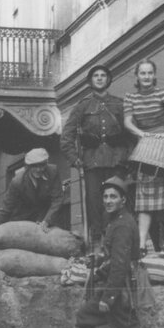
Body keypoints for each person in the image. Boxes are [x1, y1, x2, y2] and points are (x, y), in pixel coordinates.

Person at [75, 176, 142, 328]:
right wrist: (98, 271)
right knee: (85, 315)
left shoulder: (123, 224)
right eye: (105, 196)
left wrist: (108, 298)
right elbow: (113, 260)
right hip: (118, 285)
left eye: (113, 196)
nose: (108, 200)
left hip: (122, 289)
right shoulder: (115, 221)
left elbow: (121, 264)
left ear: (123, 199)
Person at [61, 64, 128, 242]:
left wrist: (127, 158)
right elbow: (67, 135)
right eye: (96, 76)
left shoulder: (119, 104)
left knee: (117, 202)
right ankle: (97, 243)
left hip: (116, 162)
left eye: (103, 75)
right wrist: (74, 159)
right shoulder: (82, 106)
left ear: (108, 80)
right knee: (94, 205)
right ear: (91, 81)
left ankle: (118, 239)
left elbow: (130, 134)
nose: (99, 78)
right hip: (92, 163)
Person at [123, 59, 164, 257]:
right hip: (146, 147)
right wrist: (141, 134)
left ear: (154, 75)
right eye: (142, 73)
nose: (146, 77)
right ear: (137, 76)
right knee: (145, 198)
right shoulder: (131, 97)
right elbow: (127, 122)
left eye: (150, 73)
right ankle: (141, 244)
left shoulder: (162, 93)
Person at [0, 147, 64, 232]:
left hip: (45, 216)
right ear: (28, 167)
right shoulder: (17, 182)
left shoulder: (53, 172)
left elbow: (57, 199)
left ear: (46, 163)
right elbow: (6, 209)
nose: (39, 169)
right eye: (35, 166)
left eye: (42, 165)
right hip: (23, 217)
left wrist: (47, 220)